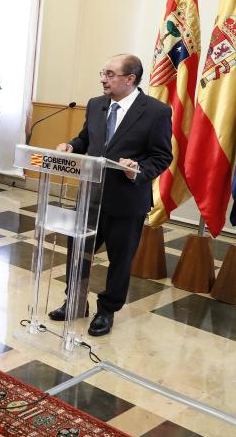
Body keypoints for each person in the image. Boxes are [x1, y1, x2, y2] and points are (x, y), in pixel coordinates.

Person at [51, 54, 173, 336]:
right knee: (78, 250)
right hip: (90, 195)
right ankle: (75, 301)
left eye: (109, 74)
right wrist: (71, 146)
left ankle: (106, 311)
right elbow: (86, 139)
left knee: (120, 260)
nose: (102, 79)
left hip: (126, 200)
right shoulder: (96, 105)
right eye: (102, 73)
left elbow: (162, 156)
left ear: (130, 79)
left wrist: (138, 170)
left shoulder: (156, 111)